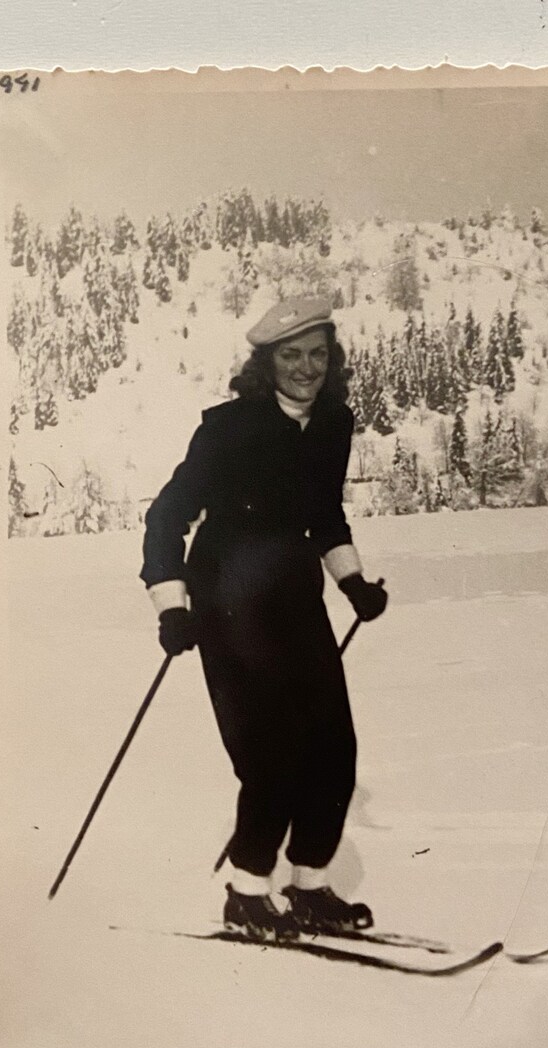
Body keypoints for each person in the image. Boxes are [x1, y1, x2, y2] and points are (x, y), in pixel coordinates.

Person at [140, 296, 388, 941]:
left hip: (296, 596)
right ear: (266, 362)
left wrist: (352, 579)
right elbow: (167, 517)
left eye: (317, 354)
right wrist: (172, 605)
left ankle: (309, 885)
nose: (306, 367)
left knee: (334, 746)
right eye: (290, 355)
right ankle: (248, 891)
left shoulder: (333, 422)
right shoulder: (228, 429)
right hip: (227, 597)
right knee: (273, 753)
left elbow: (324, 514)